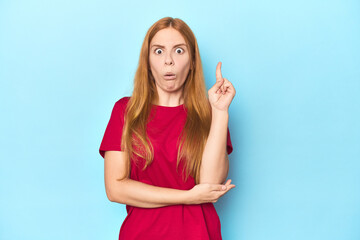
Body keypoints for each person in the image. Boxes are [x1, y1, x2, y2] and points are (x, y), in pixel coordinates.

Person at [99, 16, 236, 240]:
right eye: (159, 51)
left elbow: (210, 185)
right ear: (148, 61)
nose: (169, 61)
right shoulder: (126, 111)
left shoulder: (210, 113)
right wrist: (188, 197)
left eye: (179, 51)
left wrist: (220, 112)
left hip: (199, 233)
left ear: (192, 61)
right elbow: (115, 189)